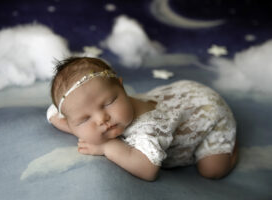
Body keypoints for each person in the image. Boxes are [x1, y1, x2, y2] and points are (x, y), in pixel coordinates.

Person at [47, 56, 238, 181]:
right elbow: (58, 115)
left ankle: (231, 144)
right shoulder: (90, 111)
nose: (102, 119)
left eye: (109, 102)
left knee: (213, 171)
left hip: (208, 112)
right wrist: (70, 124)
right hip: (185, 94)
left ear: (121, 87)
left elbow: (148, 170)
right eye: (84, 119)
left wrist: (107, 146)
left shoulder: (148, 128)